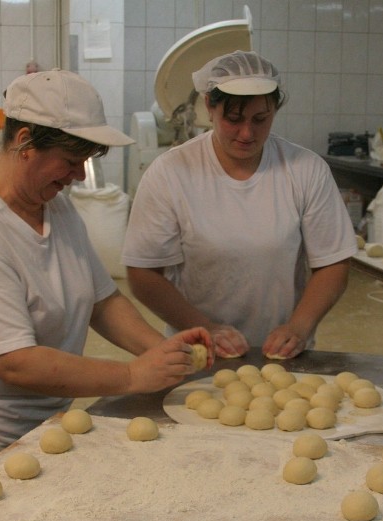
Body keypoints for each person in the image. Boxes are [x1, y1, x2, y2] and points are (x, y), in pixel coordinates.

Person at [0, 69, 213, 494]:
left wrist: (158, 351)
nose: (78, 176)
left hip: (39, 422)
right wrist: (131, 377)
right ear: (25, 141)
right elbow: (16, 362)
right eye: (70, 162)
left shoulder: (56, 207)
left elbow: (102, 300)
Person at [121, 51, 357, 360]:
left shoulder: (305, 169)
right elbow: (143, 273)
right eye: (233, 119)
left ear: (275, 108)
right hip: (199, 352)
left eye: (261, 119)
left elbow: (333, 261)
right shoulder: (171, 173)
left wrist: (300, 327)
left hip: (285, 354)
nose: (247, 133)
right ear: (209, 106)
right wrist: (205, 327)